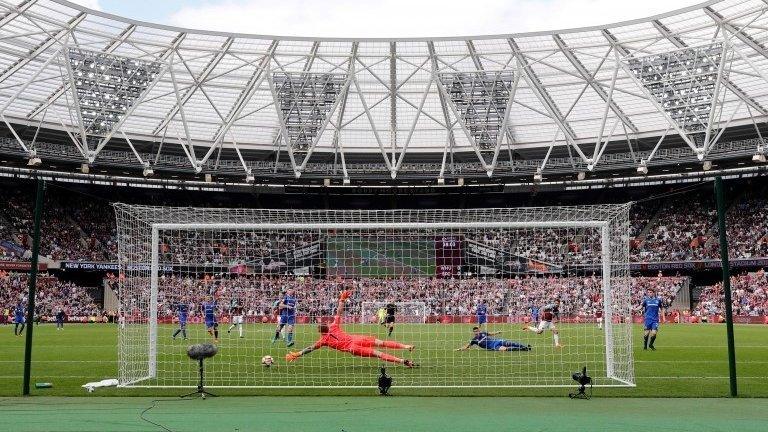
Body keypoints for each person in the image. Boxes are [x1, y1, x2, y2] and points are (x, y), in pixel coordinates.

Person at [286, 290, 415, 367]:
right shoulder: (332, 328)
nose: (323, 324)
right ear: (324, 327)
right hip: (354, 345)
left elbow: (310, 348)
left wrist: (298, 354)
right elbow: (339, 311)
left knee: (380, 347)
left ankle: (405, 349)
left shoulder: (324, 339)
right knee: (379, 349)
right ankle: (404, 358)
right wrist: (342, 299)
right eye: (322, 324)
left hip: (354, 342)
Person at [455, 327, 530, 352]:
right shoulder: (474, 340)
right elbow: (467, 346)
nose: (476, 332)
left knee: (510, 343)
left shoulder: (483, 333)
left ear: (479, 330)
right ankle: (523, 349)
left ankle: (525, 346)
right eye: (475, 331)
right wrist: (459, 349)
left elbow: (491, 333)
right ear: (474, 332)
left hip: (496, 341)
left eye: (477, 330)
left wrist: (498, 332)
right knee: (505, 349)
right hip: (493, 347)